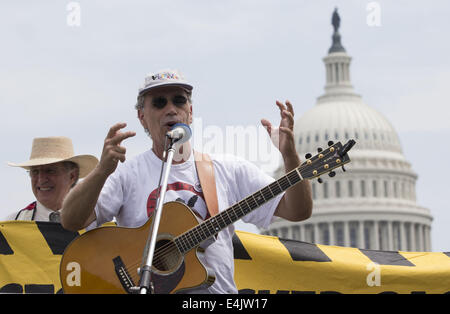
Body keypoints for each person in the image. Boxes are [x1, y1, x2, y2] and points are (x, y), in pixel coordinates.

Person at [61, 69, 313, 293]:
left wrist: (290, 157)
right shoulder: (127, 173)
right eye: (159, 103)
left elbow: (297, 210)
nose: (171, 108)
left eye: (179, 101)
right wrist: (102, 171)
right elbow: (72, 220)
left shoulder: (228, 169)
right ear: (141, 116)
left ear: (190, 112)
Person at [5, 136, 98, 222]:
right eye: (35, 172)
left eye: (50, 171)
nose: (41, 179)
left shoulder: (93, 222)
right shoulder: (14, 223)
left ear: (72, 176)